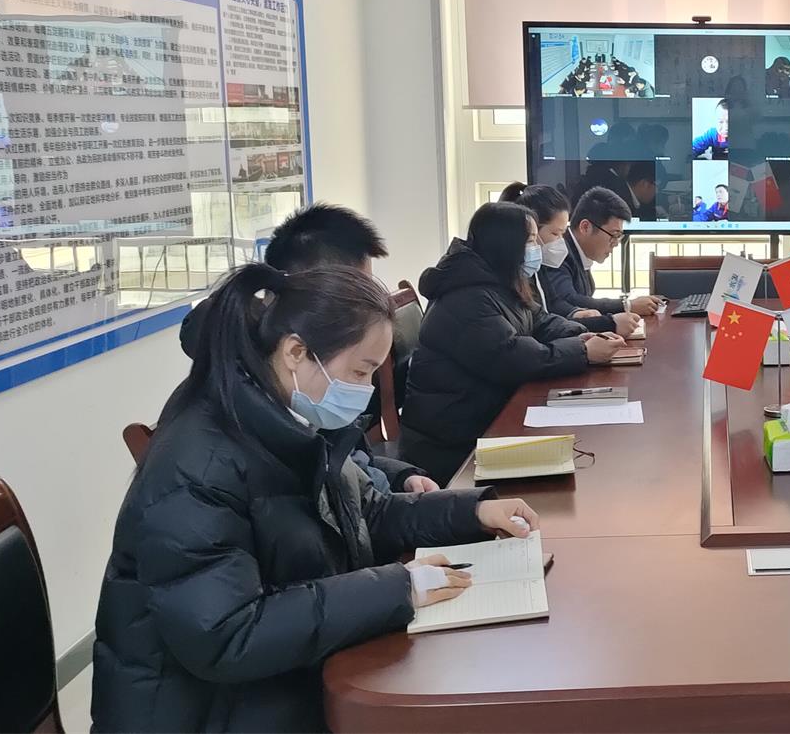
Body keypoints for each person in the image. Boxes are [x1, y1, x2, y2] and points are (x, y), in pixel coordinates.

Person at [93, 262, 539, 731]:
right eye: (360, 371)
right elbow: (227, 634)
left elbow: (366, 511)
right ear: (296, 352)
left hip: (280, 677)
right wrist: (397, 588)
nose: (366, 391)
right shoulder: (197, 465)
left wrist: (473, 510)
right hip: (208, 712)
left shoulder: (292, 419)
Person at [177, 203, 435, 494]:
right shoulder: (239, 419)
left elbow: (345, 462)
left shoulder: (311, 376)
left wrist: (400, 478)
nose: (366, 307)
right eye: (354, 293)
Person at [402, 202, 627, 484]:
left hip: (485, 416)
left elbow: (539, 320)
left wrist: (582, 335)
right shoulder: (466, 297)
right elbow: (510, 358)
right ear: (506, 244)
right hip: (452, 444)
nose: (538, 247)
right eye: (531, 240)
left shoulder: (499, 280)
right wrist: (582, 351)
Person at [508, 183, 639, 338]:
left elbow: (551, 309)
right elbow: (537, 330)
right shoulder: (539, 264)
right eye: (556, 234)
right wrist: (610, 321)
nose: (560, 241)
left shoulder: (537, 267)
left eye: (562, 233)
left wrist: (574, 313)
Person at [540, 186, 665, 321]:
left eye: (619, 236)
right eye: (613, 235)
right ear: (585, 227)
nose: (616, 243)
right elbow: (568, 300)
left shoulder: (580, 254)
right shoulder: (558, 253)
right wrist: (626, 306)